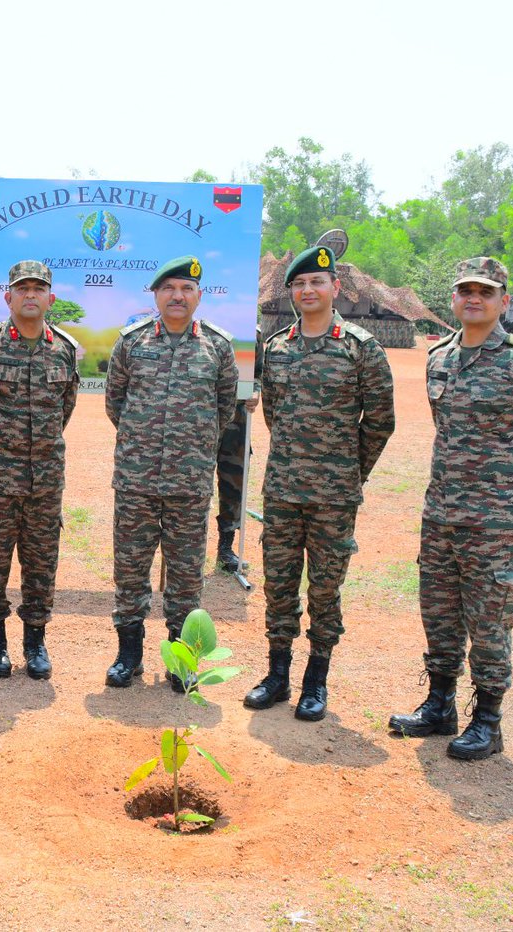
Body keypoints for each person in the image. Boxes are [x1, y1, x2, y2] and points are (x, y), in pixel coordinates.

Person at [389, 257, 513, 760]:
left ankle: (488, 721)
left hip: (497, 522)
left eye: (485, 292)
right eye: (465, 290)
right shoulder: (440, 357)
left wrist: (512, 497)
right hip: (442, 513)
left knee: (490, 623)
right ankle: (440, 705)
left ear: (504, 302)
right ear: (453, 299)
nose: (474, 299)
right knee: (439, 614)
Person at [245, 244, 394, 720]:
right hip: (284, 489)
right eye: (299, 283)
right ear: (291, 291)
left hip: (334, 497)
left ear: (336, 289)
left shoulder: (360, 347)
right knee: (279, 585)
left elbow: (381, 421)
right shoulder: (277, 347)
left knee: (325, 589)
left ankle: (316, 680)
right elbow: (274, 415)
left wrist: (349, 469)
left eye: (317, 282)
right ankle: (277, 675)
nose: (308, 290)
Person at [104, 256, 237, 688]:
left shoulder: (217, 346)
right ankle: (129, 655)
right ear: (156, 295)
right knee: (130, 569)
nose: (177, 296)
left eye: (186, 289)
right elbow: (115, 404)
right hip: (136, 481)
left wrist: (191, 449)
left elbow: (224, 408)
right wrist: (142, 445)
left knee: (185, 575)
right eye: (169, 289)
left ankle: (181, 660)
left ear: (199, 295)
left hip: (190, 482)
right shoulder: (132, 343)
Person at [0, 260, 80, 679]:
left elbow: (64, 408)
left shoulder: (63, 347)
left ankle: (35, 640)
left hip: (45, 482)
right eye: (22, 288)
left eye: (38, 288)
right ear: (7, 296)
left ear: (51, 298)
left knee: (42, 564)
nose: (30, 295)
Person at [214, 328, 262, 572]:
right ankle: (186, 549)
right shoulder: (190, 327)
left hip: (236, 424)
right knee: (190, 489)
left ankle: (226, 547)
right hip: (197, 423)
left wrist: (255, 391)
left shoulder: (249, 332)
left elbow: (259, 374)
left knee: (234, 487)